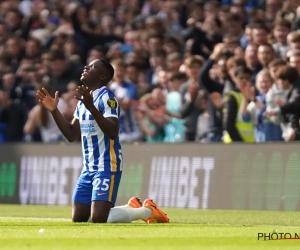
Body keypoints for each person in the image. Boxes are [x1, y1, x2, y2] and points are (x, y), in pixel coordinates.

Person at [36, 59, 169, 224]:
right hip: (89, 167)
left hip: (107, 165)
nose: (86, 67)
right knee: (79, 218)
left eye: (92, 67)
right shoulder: (84, 102)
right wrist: (54, 111)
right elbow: (71, 135)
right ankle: (131, 206)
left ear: (102, 76)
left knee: (100, 218)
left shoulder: (107, 98)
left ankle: (147, 211)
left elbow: (113, 131)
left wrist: (92, 107)